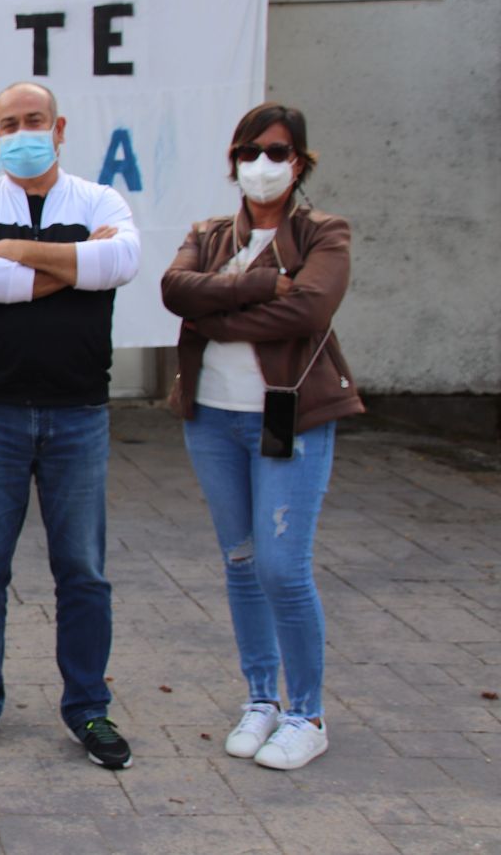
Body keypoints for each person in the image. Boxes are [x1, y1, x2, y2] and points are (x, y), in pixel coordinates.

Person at [0, 82, 140, 769]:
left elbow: (123, 262)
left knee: (82, 569)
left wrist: (20, 250)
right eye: (8, 123)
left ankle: (88, 709)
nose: (22, 131)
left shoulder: (100, 200)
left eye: (35, 120)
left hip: (78, 411)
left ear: (59, 128)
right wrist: (77, 258)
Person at [161, 102, 361, 771]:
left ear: (300, 162)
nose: (262, 165)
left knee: (283, 567)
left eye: (277, 152)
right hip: (213, 418)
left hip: (289, 419)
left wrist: (220, 313)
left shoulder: (324, 232)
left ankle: (307, 712)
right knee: (242, 562)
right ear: (233, 162)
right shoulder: (209, 232)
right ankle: (261, 699)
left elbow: (310, 306)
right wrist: (256, 287)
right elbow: (175, 289)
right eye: (250, 152)